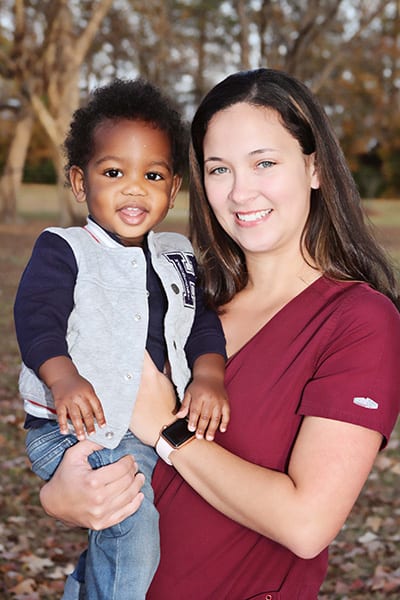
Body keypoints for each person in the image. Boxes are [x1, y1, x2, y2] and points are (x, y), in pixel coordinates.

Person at [37, 68, 400, 599]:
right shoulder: (186, 299)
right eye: (219, 169)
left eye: (265, 163)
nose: (240, 192)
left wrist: (168, 427)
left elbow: (306, 524)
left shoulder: (359, 321)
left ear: (314, 167)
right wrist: (61, 497)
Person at [14, 78, 229, 600]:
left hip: (140, 434)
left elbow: (199, 322)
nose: (134, 188)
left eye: (152, 175)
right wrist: (62, 376)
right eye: (113, 172)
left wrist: (209, 376)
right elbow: (36, 316)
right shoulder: (65, 249)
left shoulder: (177, 253)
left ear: (173, 188)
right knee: (133, 534)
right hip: (72, 428)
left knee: (122, 538)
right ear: (80, 181)